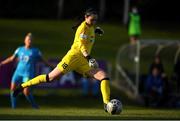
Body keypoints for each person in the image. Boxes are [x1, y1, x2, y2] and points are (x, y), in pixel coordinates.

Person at [13, 8, 111, 112]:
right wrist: (89, 58)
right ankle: (22, 86)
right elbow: (82, 46)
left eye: (96, 20)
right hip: (72, 58)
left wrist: (95, 31)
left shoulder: (90, 27)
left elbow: (88, 35)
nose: (94, 22)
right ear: (85, 17)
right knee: (50, 77)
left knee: (103, 76)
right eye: (92, 20)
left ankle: (106, 104)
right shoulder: (83, 28)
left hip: (82, 62)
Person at [0, 33, 52, 109]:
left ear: (32, 41)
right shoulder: (19, 49)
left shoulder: (36, 51)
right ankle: (13, 108)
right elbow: (11, 58)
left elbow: (44, 61)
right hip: (18, 72)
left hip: (28, 74)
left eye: (31, 40)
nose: (29, 41)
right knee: (12, 89)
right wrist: (2, 63)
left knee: (26, 92)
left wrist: (52, 66)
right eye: (28, 39)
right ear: (25, 40)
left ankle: (35, 107)